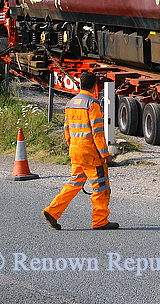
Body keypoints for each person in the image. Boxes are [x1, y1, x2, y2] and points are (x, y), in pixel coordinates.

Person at [43, 71, 118, 230]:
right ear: (94, 86)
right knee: (101, 187)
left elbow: (66, 129)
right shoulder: (92, 103)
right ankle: (100, 220)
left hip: (75, 150)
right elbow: (97, 133)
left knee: (74, 184)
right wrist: (105, 154)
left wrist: (72, 146)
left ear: (80, 84)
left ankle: (52, 210)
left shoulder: (70, 103)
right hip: (90, 153)